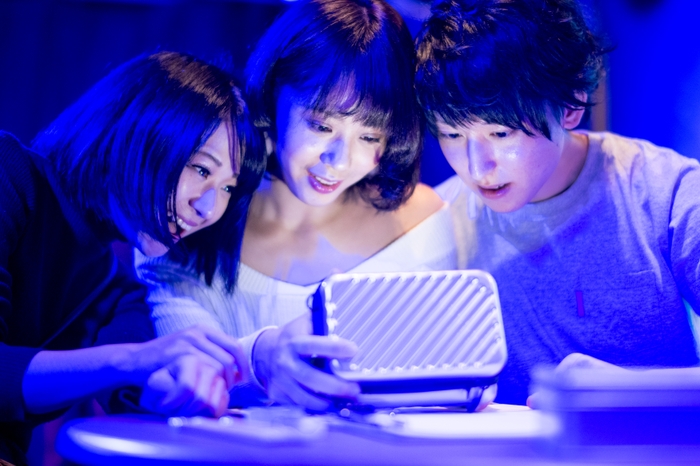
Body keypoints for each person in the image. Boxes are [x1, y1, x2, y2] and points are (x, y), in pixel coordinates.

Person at [136, 0, 458, 410]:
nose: (339, 161)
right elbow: (186, 374)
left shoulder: (424, 224)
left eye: (369, 137)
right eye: (321, 125)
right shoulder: (194, 223)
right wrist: (259, 361)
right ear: (272, 94)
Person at [414, 0, 700, 406]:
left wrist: (628, 389)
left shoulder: (666, 191)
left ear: (570, 105)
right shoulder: (435, 221)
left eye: (500, 134)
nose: (477, 168)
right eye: (453, 136)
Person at [0, 51, 265, 465]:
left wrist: (185, 386)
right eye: (201, 169)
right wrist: (135, 360)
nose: (208, 208)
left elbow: (144, 383)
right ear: (139, 133)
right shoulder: (10, 173)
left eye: (228, 188)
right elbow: (133, 361)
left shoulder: (119, 290)